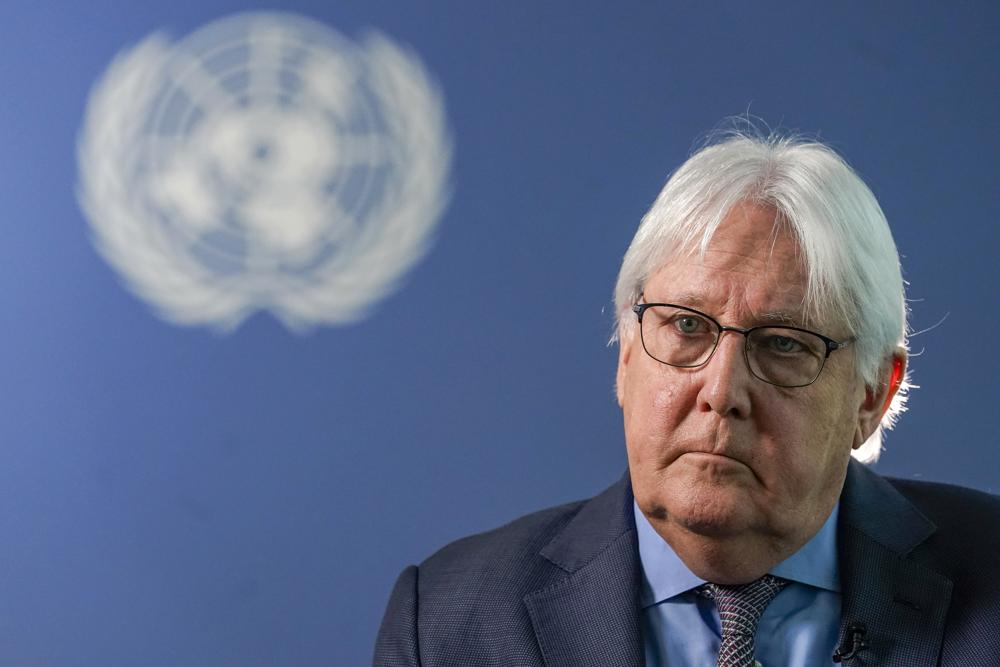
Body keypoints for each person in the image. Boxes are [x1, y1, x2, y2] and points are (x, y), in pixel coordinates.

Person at [373, 130, 1000, 666]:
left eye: (784, 344)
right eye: (687, 326)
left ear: (872, 396)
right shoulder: (450, 625)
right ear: (625, 354)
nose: (722, 392)